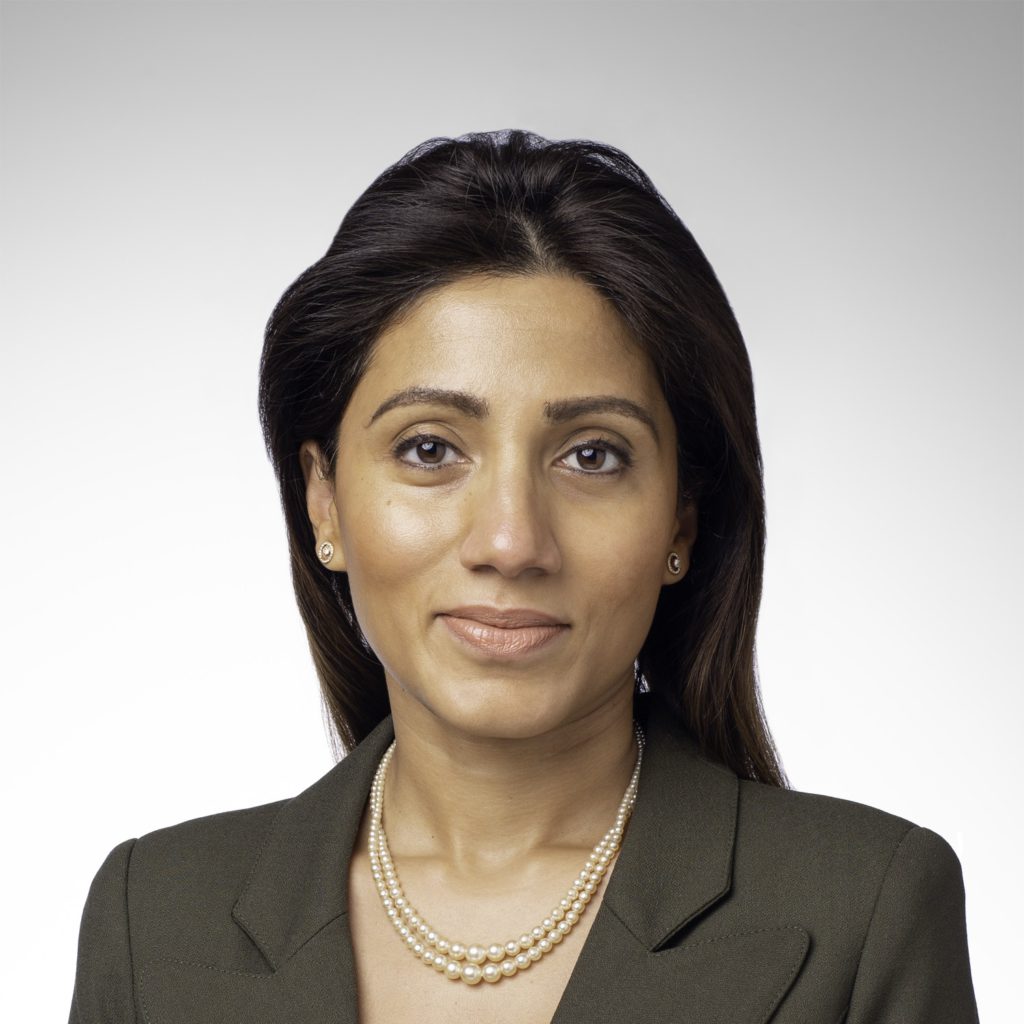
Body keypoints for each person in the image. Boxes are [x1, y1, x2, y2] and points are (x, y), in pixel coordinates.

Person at [68, 129, 979, 1023]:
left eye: (592, 455)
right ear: (325, 504)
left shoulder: (865, 913)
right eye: (429, 449)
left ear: (682, 521)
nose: (511, 542)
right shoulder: (154, 924)